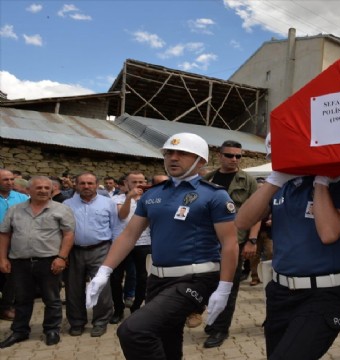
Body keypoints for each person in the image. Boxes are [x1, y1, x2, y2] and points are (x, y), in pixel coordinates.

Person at [85, 132, 239, 360]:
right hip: (157, 279)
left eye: (183, 153)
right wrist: (103, 272)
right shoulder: (152, 195)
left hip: (195, 279)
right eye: (169, 153)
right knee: (167, 339)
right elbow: (129, 235)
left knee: (134, 331)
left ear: (201, 161)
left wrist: (224, 288)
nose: (173, 158)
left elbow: (230, 243)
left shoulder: (214, 195)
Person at [234, 134, 340, 359]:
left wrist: (321, 182)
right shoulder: (281, 186)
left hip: (324, 293)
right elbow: (242, 221)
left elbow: (329, 234)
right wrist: (274, 181)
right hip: (281, 292)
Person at [0, 176, 75, 348]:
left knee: (52, 298)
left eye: (46, 188)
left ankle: (51, 330)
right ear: (28, 190)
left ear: (51, 190)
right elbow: (4, 234)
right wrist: (2, 258)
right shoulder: (15, 210)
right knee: (22, 299)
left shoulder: (61, 210)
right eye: (38, 187)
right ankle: (19, 331)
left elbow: (69, 235)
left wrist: (61, 257)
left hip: (49, 261)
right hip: (20, 261)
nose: (42, 190)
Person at [201, 139, 261, 348]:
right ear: (220, 156)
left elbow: (257, 213)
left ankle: (220, 329)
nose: (234, 159)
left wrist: (252, 240)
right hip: (208, 243)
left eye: (238, 156)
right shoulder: (207, 179)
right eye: (230, 155)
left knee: (228, 287)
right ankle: (213, 319)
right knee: (208, 285)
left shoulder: (248, 181)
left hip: (235, 243)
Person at [63, 172, 121, 337]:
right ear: (76, 185)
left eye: (90, 183)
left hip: (101, 249)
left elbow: (116, 227)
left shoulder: (108, 203)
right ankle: (77, 322)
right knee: (73, 288)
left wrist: (114, 251)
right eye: (82, 183)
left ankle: (100, 322)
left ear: (96, 185)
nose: (86, 186)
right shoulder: (67, 204)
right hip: (74, 251)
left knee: (101, 287)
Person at [108, 171, 152, 324]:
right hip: (121, 242)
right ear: (126, 183)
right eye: (134, 182)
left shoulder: (150, 198)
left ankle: (136, 307)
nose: (138, 184)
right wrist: (129, 198)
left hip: (143, 242)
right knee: (116, 277)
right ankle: (118, 309)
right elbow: (122, 216)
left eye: (141, 181)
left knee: (142, 277)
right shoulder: (116, 199)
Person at [0, 168, 29, 321]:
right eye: (6, 180)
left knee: (12, 276)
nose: (10, 182)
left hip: (15, 243)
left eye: (12, 179)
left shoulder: (22, 198)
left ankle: (5, 307)